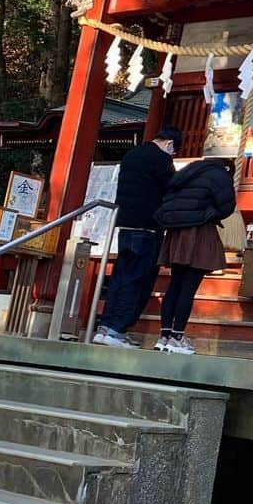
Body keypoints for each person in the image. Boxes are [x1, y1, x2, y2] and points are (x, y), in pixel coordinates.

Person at [93, 126, 182, 348]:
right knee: (137, 280)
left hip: (125, 225)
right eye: (173, 151)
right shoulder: (161, 160)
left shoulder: (132, 155)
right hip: (147, 227)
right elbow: (172, 189)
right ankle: (117, 330)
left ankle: (106, 327)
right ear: (170, 144)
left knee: (121, 277)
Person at [152, 157, 237, 354]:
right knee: (188, 287)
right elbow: (227, 206)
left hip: (177, 232)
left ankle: (164, 336)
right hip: (199, 231)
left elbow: (168, 194)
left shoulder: (188, 172)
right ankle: (177, 337)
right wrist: (211, 213)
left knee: (175, 284)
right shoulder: (220, 175)